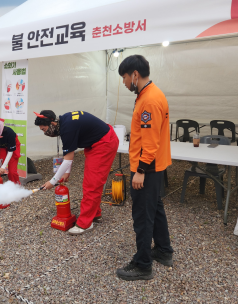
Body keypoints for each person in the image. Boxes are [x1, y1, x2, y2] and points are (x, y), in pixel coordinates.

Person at [116, 55, 173, 281]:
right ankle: (163, 250)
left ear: (135, 75)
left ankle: (142, 265)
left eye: (124, 77)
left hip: (147, 168)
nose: (124, 83)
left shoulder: (149, 100)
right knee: (155, 209)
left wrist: (140, 171)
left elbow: (150, 142)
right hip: (153, 166)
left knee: (142, 215)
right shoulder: (148, 94)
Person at [34, 110, 119, 235]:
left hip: (104, 143)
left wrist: (52, 181)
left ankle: (85, 224)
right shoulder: (64, 121)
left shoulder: (67, 129)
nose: (45, 132)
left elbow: (67, 161)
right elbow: (69, 154)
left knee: (92, 184)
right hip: (95, 142)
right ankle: (95, 214)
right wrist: (66, 173)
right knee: (90, 182)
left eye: (44, 129)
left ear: (52, 122)